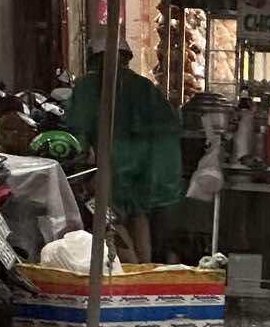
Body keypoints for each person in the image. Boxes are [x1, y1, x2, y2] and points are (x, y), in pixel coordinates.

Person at [67, 34, 183, 262]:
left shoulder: (88, 86)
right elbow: (170, 122)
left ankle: (129, 270)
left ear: (94, 59)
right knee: (139, 215)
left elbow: (77, 126)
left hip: (110, 162)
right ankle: (144, 268)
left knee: (111, 218)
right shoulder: (144, 86)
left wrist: (83, 151)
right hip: (146, 165)